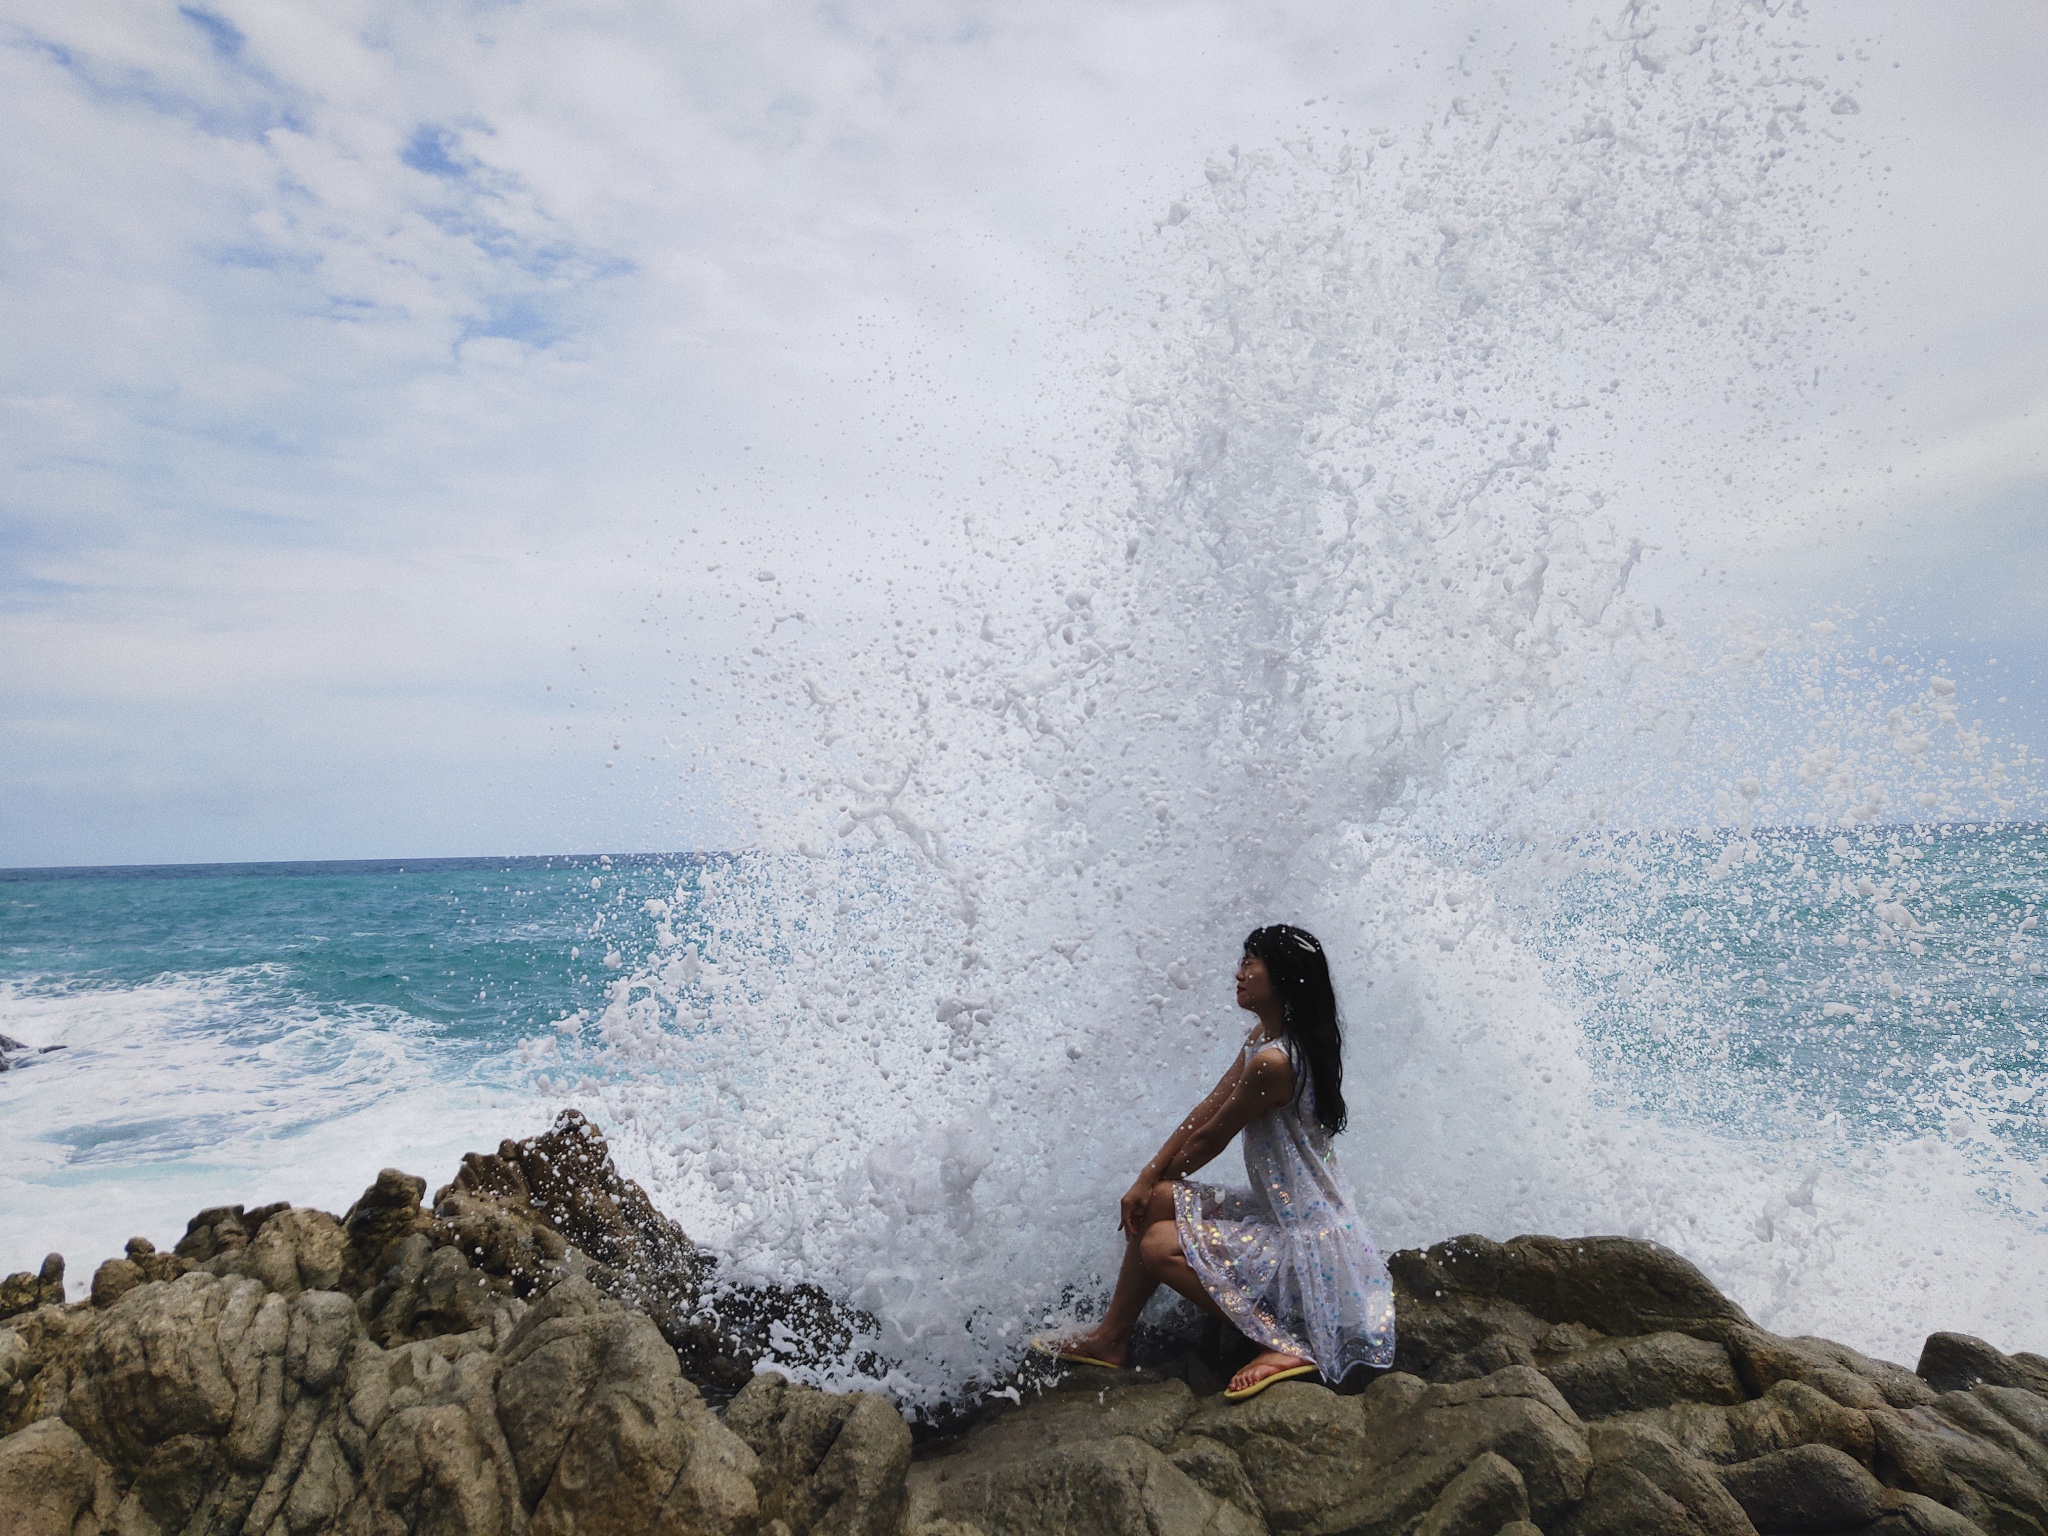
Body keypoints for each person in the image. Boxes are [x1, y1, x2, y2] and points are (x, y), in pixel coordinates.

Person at [1037, 925, 1396, 1399]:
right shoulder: (1263, 1039)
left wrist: (1147, 1182)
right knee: (1160, 1200)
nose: (1239, 972)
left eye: (1251, 962)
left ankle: (1289, 1343)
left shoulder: (1277, 1062)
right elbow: (1208, 1107)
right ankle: (1111, 1337)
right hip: (1282, 1216)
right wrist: (1149, 1179)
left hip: (1308, 1246)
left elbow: (1210, 1139)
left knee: (1158, 1243)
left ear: (1285, 977)